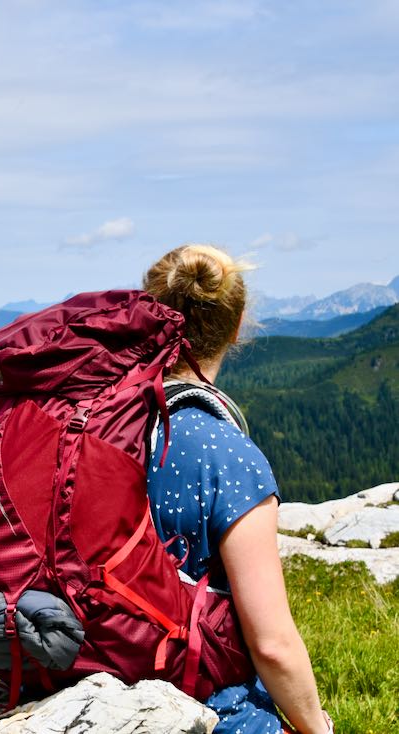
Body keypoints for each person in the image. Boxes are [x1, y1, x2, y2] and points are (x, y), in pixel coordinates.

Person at [143, 244, 332, 734]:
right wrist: (316, 726)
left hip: (83, 668)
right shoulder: (228, 454)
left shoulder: (103, 420)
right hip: (202, 701)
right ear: (239, 323)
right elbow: (271, 643)